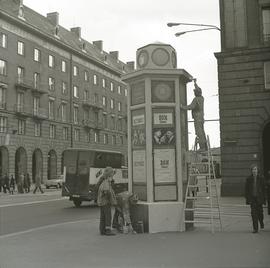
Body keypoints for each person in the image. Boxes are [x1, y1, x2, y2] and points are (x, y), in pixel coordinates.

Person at [180, 79, 207, 151]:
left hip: (197, 117)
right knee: (202, 131)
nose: (194, 93)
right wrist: (195, 83)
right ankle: (205, 146)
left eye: (195, 92)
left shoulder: (196, 99)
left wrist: (182, 107)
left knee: (199, 132)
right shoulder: (201, 98)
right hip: (201, 117)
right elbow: (198, 89)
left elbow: (191, 107)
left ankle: (202, 147)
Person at [245, 164, 266, 233]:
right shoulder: (248, 179)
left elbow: (264, 190)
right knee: (253, 214)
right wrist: (248, 199)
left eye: (255, 169)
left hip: (259, 198)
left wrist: (264, 200)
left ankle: (261, 222)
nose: (254, 171)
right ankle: (255, 229)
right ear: (251, 171)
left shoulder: (261, 178)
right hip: (252, 199)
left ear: (257, 170)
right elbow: (246, 190)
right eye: (253, 169)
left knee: (260, 213)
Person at [97, 167, 117, 236]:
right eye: (111, 176)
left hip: (101, 202)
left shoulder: (103, 181)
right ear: (109, 176)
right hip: (106, 202)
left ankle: (102, 230)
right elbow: (106, 191)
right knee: (108, 216)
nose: (112, 177)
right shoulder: (106, 182)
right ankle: (108, 230)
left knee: (103, 216)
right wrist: (110, 199)